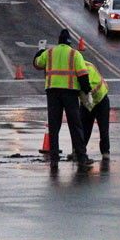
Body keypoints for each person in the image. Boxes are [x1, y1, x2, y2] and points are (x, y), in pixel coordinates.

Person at [33, 29, 93, 169]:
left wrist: (40, 50)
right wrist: (87, 91)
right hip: (70, 93)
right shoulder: (74, 54)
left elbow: (37, 64)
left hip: (52, 93)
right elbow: (83, 75)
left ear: (58, 41)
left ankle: (54, 157)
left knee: (54, 126)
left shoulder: (50, 53)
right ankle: (82, 156)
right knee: (75, 125)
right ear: (70, 42)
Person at [78, 61, 110, 160]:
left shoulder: (88, 69)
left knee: (103, 128)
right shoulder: (76, 69)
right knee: (84, 128)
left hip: (100, 100)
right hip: (87, 103)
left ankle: (105, 151)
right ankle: (80, 151)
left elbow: (87, 86)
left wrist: (87, 94)